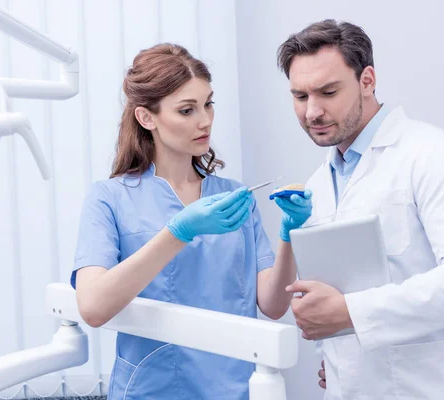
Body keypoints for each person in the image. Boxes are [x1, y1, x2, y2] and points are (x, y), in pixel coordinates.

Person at [71, 43, 312, 400]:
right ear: (146, 118)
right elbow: (92, 307)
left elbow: (273, 305)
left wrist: (290, 233)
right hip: (152, 390)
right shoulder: (109, 198)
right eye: (187, 110)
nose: (205, 121)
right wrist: (179, 231)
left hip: (236, 387)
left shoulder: (234, 196)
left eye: (208, 104)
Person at [276, 19, 444, 399]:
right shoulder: (318, 184)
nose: (312, 111)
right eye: (300, 97)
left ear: (367, 80)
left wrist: (351, 312)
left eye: (328, 91)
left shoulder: (435, 154)